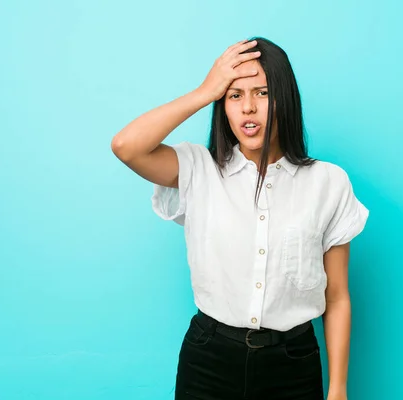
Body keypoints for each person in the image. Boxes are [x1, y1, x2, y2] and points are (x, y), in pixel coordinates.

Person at [111, 37, 369, 400]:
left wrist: (338, 389)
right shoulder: (199, 169)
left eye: (262, 93)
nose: (248, 107)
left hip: (293, 365)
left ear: (285, 99)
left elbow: (338, 297)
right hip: (209, 361)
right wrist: (205, 90)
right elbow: (127, 146)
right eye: (234, 95)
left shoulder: (328, 183)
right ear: (223, 106)